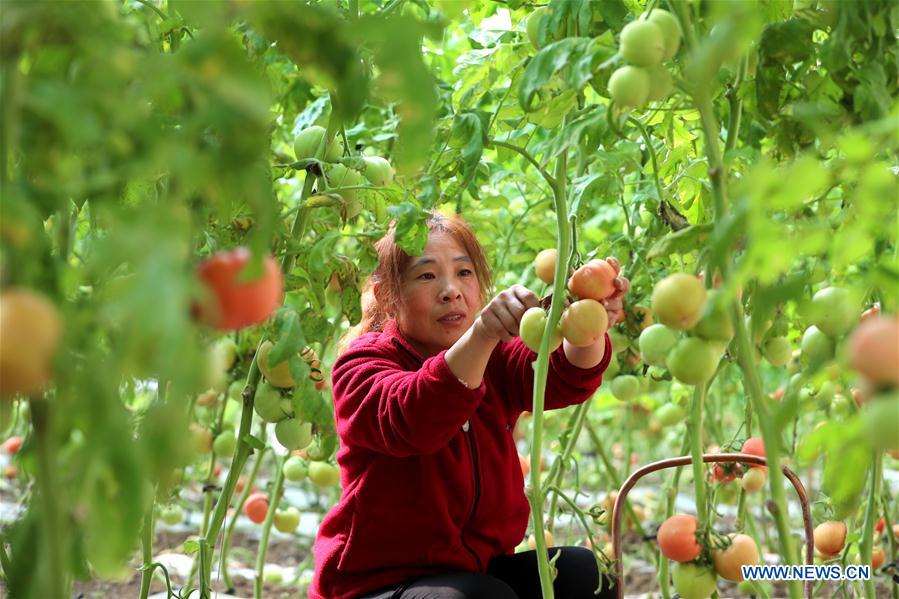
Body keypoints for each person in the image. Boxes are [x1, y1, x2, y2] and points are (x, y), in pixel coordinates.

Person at [309, 211, 630, 599]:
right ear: (386, 297)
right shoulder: (362, 365)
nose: (451, 290)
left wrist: (588, 324)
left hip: (477, 570)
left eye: (464, 273)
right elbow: (415, 417)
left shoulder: (495, 360)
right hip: (377, 584)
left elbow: (561, 375)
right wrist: (482, 333)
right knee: (479, 597)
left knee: (587, 575)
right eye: (427, 276)